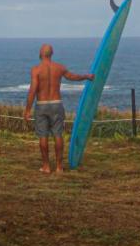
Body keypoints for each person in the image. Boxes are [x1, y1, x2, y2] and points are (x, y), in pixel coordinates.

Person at [22, 43, 94, 173]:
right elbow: (73, 77)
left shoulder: (36, 70)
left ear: (40, 54)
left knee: (43, 136)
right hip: (56, 103)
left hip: (42, 105)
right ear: (51, 54)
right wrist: (86, 76)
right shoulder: (59, 68)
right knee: (58, 135)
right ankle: (59, 167)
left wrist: (27, 110)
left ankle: (46, 166)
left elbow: (33, 90)